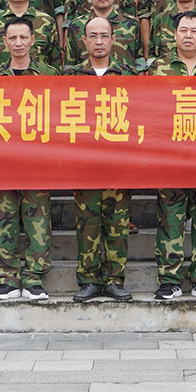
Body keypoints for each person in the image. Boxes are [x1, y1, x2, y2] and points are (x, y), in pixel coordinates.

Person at [150, 11, 196, 301]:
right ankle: (169, 279)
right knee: (170, 219)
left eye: (195, 31)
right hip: (171, 155)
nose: (188, 35)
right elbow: (151, 110)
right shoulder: (160, 68)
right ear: (174, 34)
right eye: (183, 30)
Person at [0, 18, 58, 301]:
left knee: (37, 219)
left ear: (32, 40)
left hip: (37, 160)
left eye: (23, 38)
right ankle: (6, 278)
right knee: (3, 219)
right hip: (2, 160)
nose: (18, 43)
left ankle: (34, 278)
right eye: (12, 38)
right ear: (5, 42)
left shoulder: (48, 74)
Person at [67, 18, 135, 303]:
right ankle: (89, 280)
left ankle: (115, 279)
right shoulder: (71, 77)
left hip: (119, 164)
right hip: (84, 164)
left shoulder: (128, 76)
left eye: (104, 36)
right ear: (83, 41)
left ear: (112, 40)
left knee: (117, 223)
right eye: (92, 36)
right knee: (88, 224)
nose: (98, 41)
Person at [63, 0, 143, 71]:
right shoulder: (76, 26)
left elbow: (140, 64)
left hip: (123, 80)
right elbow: (70, 66)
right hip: (87, 80)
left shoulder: (132, 25)